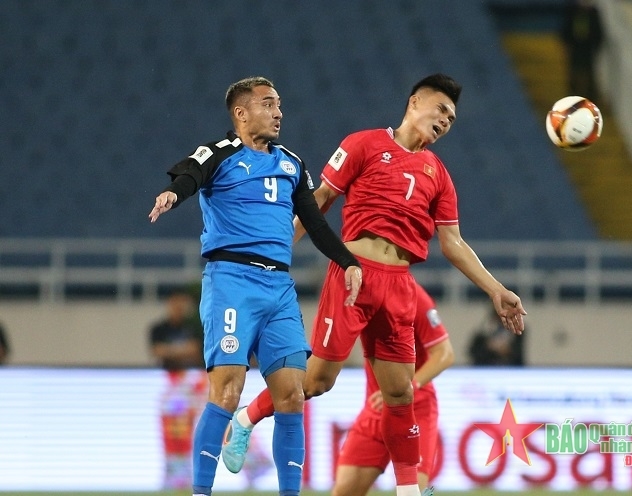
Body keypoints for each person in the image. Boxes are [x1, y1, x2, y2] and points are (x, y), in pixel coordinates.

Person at [225, 73, 526, 496]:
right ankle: (245, 418)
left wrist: (496, 289)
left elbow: (453, 243)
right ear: (415, 101)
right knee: (317, 381)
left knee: (401, 393)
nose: (446, 121)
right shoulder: (363, 144)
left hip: (399, 285)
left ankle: (408, 490)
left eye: (452, 119)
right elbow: (319, 201)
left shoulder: (438, 174)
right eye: (441, 109)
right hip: (355, 275)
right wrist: (273, 255)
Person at [148, 76, 363, 496]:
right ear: (241, 113)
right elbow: (191, 174)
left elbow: (315, 223)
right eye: (268, 104)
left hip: (278, 288)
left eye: (279, 104)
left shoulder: (291, 164)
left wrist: (347, 261)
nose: (278, 112)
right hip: (232, 281)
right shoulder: (221, 153)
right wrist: (173, 194)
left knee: (292, 395)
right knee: (227, 390)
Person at [333, 283, 454, 496]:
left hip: (415, 408)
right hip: (376, 407)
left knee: (414, 491)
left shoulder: (416, 298)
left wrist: (407, 386)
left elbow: (445, 354)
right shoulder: (358, 292)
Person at [149, 289, 207, 489]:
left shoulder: (193, 328)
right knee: (174, 430)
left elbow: (196, 350)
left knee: (188, 428)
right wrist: (184, 351)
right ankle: (175, 475)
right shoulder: (159, 328)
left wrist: (171, 351)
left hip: (192, 382)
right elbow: (157, 351)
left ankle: (184, 475)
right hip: (171, 383)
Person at [561, 0, 604, 102]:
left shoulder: (593, 13)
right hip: (575, 46)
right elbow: (566, 28)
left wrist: (596, 46)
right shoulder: (572, 11)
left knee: (589, 72)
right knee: (574, 71)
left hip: (588, 47)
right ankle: (573, 97)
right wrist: (567, 44)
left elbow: (598, 32)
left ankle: (591, 98)